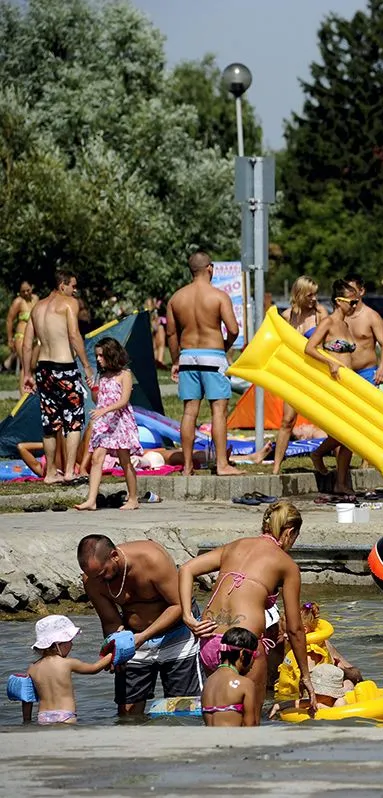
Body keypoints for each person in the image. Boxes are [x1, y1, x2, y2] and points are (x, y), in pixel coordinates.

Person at [178, 501, 314, 702]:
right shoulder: (287, 565)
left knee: (220, 713)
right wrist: (305, 675)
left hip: (210, 641)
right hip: (245, 647)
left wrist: (188, 616)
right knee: (250, 724)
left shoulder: (234, 546)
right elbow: (294, 629)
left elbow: (186, 569)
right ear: (289, 533)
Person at [77, 534, 202, 716]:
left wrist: (144, 636)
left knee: (184, 710)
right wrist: (116, 648)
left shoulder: (152, 558)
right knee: (127, 713)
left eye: (103, 573)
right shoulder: (93, 580)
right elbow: (111, 620)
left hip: (177, 634)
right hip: (133, 639)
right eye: (94, 576)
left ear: (114, 555)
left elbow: (179, 605)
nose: (100, 579)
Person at [305, 279, 383, 495]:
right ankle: (319, 454)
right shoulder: (329, 322)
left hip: (349, 383)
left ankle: (340, 483)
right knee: (348, 432)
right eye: (351, 303)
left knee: (351, 436)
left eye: (355, 303)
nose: (354, 306)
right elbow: (309, 348)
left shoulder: (345, 324)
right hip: (335, 384)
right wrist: (331, 362)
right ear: (338, 301)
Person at [166, 251, 242, 477]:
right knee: (218, 410)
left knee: (189, 412)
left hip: (188, 355)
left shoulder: (176, 298)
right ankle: (221, 464)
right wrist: (224, 347)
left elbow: (171, 333)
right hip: (213, 355)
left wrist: (175, 361)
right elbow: (234, 329)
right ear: (210, 268)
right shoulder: (219, 296)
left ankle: (187, 467)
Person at [20, 269, 94, 484]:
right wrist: (87, 366)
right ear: (63, 286)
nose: (75, 290)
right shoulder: (69, 303)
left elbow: (27, 344)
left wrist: (27, 373)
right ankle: (70, 471)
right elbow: (73, 335)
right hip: (64, 367)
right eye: (73, 285)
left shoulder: (37, 307)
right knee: (74, 419)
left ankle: (51, 473)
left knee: (50, 422)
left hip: (43, 369)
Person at [75, 338, 141, 511]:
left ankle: (133, 498)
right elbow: (98, 399)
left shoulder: (125, 374)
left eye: (101, 355)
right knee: (97, 458)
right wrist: (93, 389)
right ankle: (91, 499)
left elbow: (124, 400)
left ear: (111, 355)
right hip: (104, 423)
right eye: (97, 356)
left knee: (124, 459)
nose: (98, 359)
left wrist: (104, 411)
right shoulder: (102, 376)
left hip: (120, 421)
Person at [274, 276, 328, 475]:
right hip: (296, 374)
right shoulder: (288, 316)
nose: (314, 298)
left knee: (330, 422)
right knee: (287, 421)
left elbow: (325, 344)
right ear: (299, 294)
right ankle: (276, 467)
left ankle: (328, 463)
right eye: (310, 294)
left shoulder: (320, 313)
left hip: (316, 373)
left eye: (316, 294)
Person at [18, 615, 114, 725]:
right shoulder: (67, 662)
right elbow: (93, 669)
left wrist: (27, 721)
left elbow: (26, 697)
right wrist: (112, 654)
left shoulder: (33, 667)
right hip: (66, 715)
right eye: (69, 640)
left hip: (43, 716)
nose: (72, 644)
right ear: (58, 644)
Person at [200, 626, 261, 727]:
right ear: (242, 654)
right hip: (232, 741)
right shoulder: (245, 684)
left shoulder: (208, 682)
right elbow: (250, 725)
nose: (254, 661)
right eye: (254, 655)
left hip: (209, 741)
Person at [5, 280, 38, 380]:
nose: (26, 293)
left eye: (28, 290)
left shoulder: (36, 299)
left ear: (32, 287)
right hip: (22, 336)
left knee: (33, 366)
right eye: (23, 291)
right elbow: (9, 320)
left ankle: (30, 392)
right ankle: (23, 394)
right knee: (25, 366)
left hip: (35, 338)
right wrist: (10, 339)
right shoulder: (18, 302)